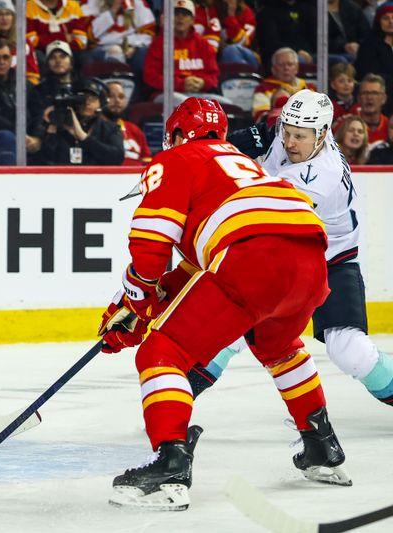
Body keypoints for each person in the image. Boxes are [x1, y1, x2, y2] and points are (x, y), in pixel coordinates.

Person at [98, 96, 346, 511]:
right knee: (279, 347)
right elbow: (196, 269)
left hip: (253, 256)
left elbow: (151, 243)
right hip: (308, 258)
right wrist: (140, 303)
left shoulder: (177, 158)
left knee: (162, 353)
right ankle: (322, 446)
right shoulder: (244, 164)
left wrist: (138, 305)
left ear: (176, 133)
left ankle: (169, 465)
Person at [188, 91, 393, 411]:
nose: (290, 142)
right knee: (230, 330)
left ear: (323, 134)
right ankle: (176, 400)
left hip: (331, 262)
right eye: (287, 132)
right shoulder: (284, 133)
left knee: (350, 351)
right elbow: (246, 142)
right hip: (292, 254)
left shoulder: (320, 175)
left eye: (300, 136)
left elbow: (266, 220)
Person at [39, 78, 125, 165]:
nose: (87, 102)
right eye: (82, 98)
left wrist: (83, 137)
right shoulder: (60, 125)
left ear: (101, 103)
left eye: (93, 99)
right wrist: (52, 128)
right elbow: (44, 159)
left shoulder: (111, 129)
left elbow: (117, 157)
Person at [143, 0, 219, 97]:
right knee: (186, 104)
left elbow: (214, 76)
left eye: (185, 14)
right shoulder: (158, 44)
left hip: (200, 93)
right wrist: (180, 84)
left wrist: (203, 83)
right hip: (168, 95)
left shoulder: (204, 45)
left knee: (224, 105)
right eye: (176, 14)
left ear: (192, 20)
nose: (180, 18)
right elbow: (150, 77)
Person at [0, 0, 41, 85]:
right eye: (0, 14)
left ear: (13, 17)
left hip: (21, 87)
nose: (4, 18)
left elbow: (33, 74)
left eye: (8, 14)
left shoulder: (24, 41)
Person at [82, 0, 156, 72]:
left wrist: (134, 47)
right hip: (102, 47)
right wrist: (113, 11)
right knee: (115, 51)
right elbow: (89, 35)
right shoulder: (92, 3)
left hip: (130, 46)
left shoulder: (138, 3)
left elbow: (148, 33)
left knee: (144, 52)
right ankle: (120, 80)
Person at [252, 47, 316, 123]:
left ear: (297, 68)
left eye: (290, 64)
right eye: (281, 65)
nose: (286, 68)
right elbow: (261, 118)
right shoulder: (263, 89)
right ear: (273, 69)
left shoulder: (309, 87)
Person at [355, 1, 393, 116]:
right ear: (378, 21)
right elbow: (369, 74)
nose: (391, 22)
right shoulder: (369, 45)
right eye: (385, 18)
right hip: (382, 92)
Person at [103, 79, 152, 164]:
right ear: (100, 99)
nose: (117, 101)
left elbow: (146, 160)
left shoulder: (134, 130)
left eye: (121, 97)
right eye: (111, 96)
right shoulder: (95, 128)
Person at [255, 0, 316, 67]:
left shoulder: (306, 9)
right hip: (277, 56)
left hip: (307, 54)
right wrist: (297, 51)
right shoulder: (266, 13)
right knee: (296, 61)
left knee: (328, 59)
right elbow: (270, 43)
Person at [327, 0, 370, 65]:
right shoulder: (311, 8)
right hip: (326, 53)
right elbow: (315, 39)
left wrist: (359, 45)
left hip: (354, 51)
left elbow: (366, 33)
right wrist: (344, 46)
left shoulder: (353, 8)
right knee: (343, 60)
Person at [353, 74, 389, 149]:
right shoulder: (346, 126)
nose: (369, 97)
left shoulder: (390, 127)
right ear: (359, 98)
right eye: (365, 93)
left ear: (384, 98)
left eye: (374, 93)